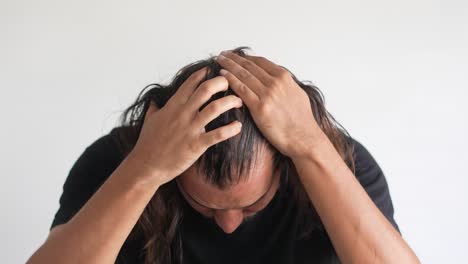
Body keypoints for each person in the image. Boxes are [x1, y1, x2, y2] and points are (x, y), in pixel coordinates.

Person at [27, 47, 420, 264]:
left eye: (251, 206)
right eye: (204, 205)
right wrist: (145, 168)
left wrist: (312, 147)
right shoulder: (118, 162)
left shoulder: (337, 162)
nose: (229, 225)